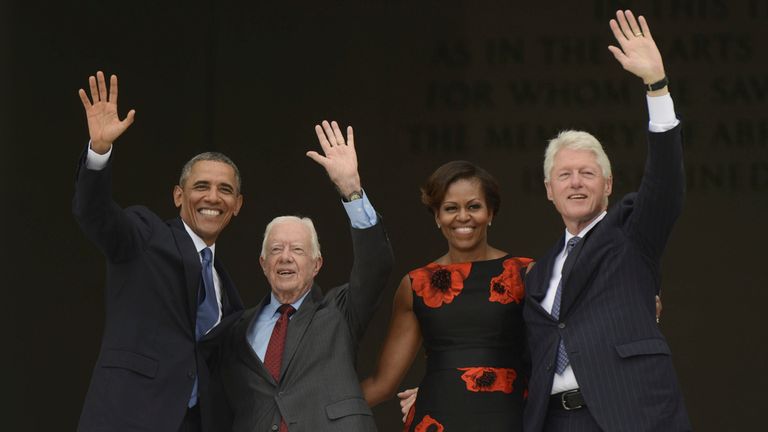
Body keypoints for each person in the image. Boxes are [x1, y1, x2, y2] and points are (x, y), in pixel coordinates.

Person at [523, 10, 691, 431]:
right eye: (564, 175)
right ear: (549, 189)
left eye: (588, 173)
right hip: (554, 421)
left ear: (609, 184)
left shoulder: (631, 234)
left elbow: (666, 183)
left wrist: (656, 86)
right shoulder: (539, 272)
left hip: (629, 414)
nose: (576, 183)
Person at [73, 71, 245, 432]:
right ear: (178, 196)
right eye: (201, 186)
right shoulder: (146, 235)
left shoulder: (226, 288)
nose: (213, 197)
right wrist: (99, 151)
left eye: (224, 190)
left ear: (238, 204)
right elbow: (96, 215)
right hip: (129, 418)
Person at [212, 121, 394, 431]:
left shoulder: (341, 311)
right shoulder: (236, 328)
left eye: (297, 249)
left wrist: (351, 189)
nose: (285, 257)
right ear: (263, 263)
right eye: (276, 250)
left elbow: (376, 265)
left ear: (317, 264)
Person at [361, 160, 532, 431]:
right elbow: (382, 384)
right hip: (437, 417)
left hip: (509, 418)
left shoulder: (525, 273)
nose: (463, 217)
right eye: (451, 208)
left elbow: (550, 355)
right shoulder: (415, 284)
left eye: (473, 206)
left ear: (491, 213)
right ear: (437, 216)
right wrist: (308, 409)